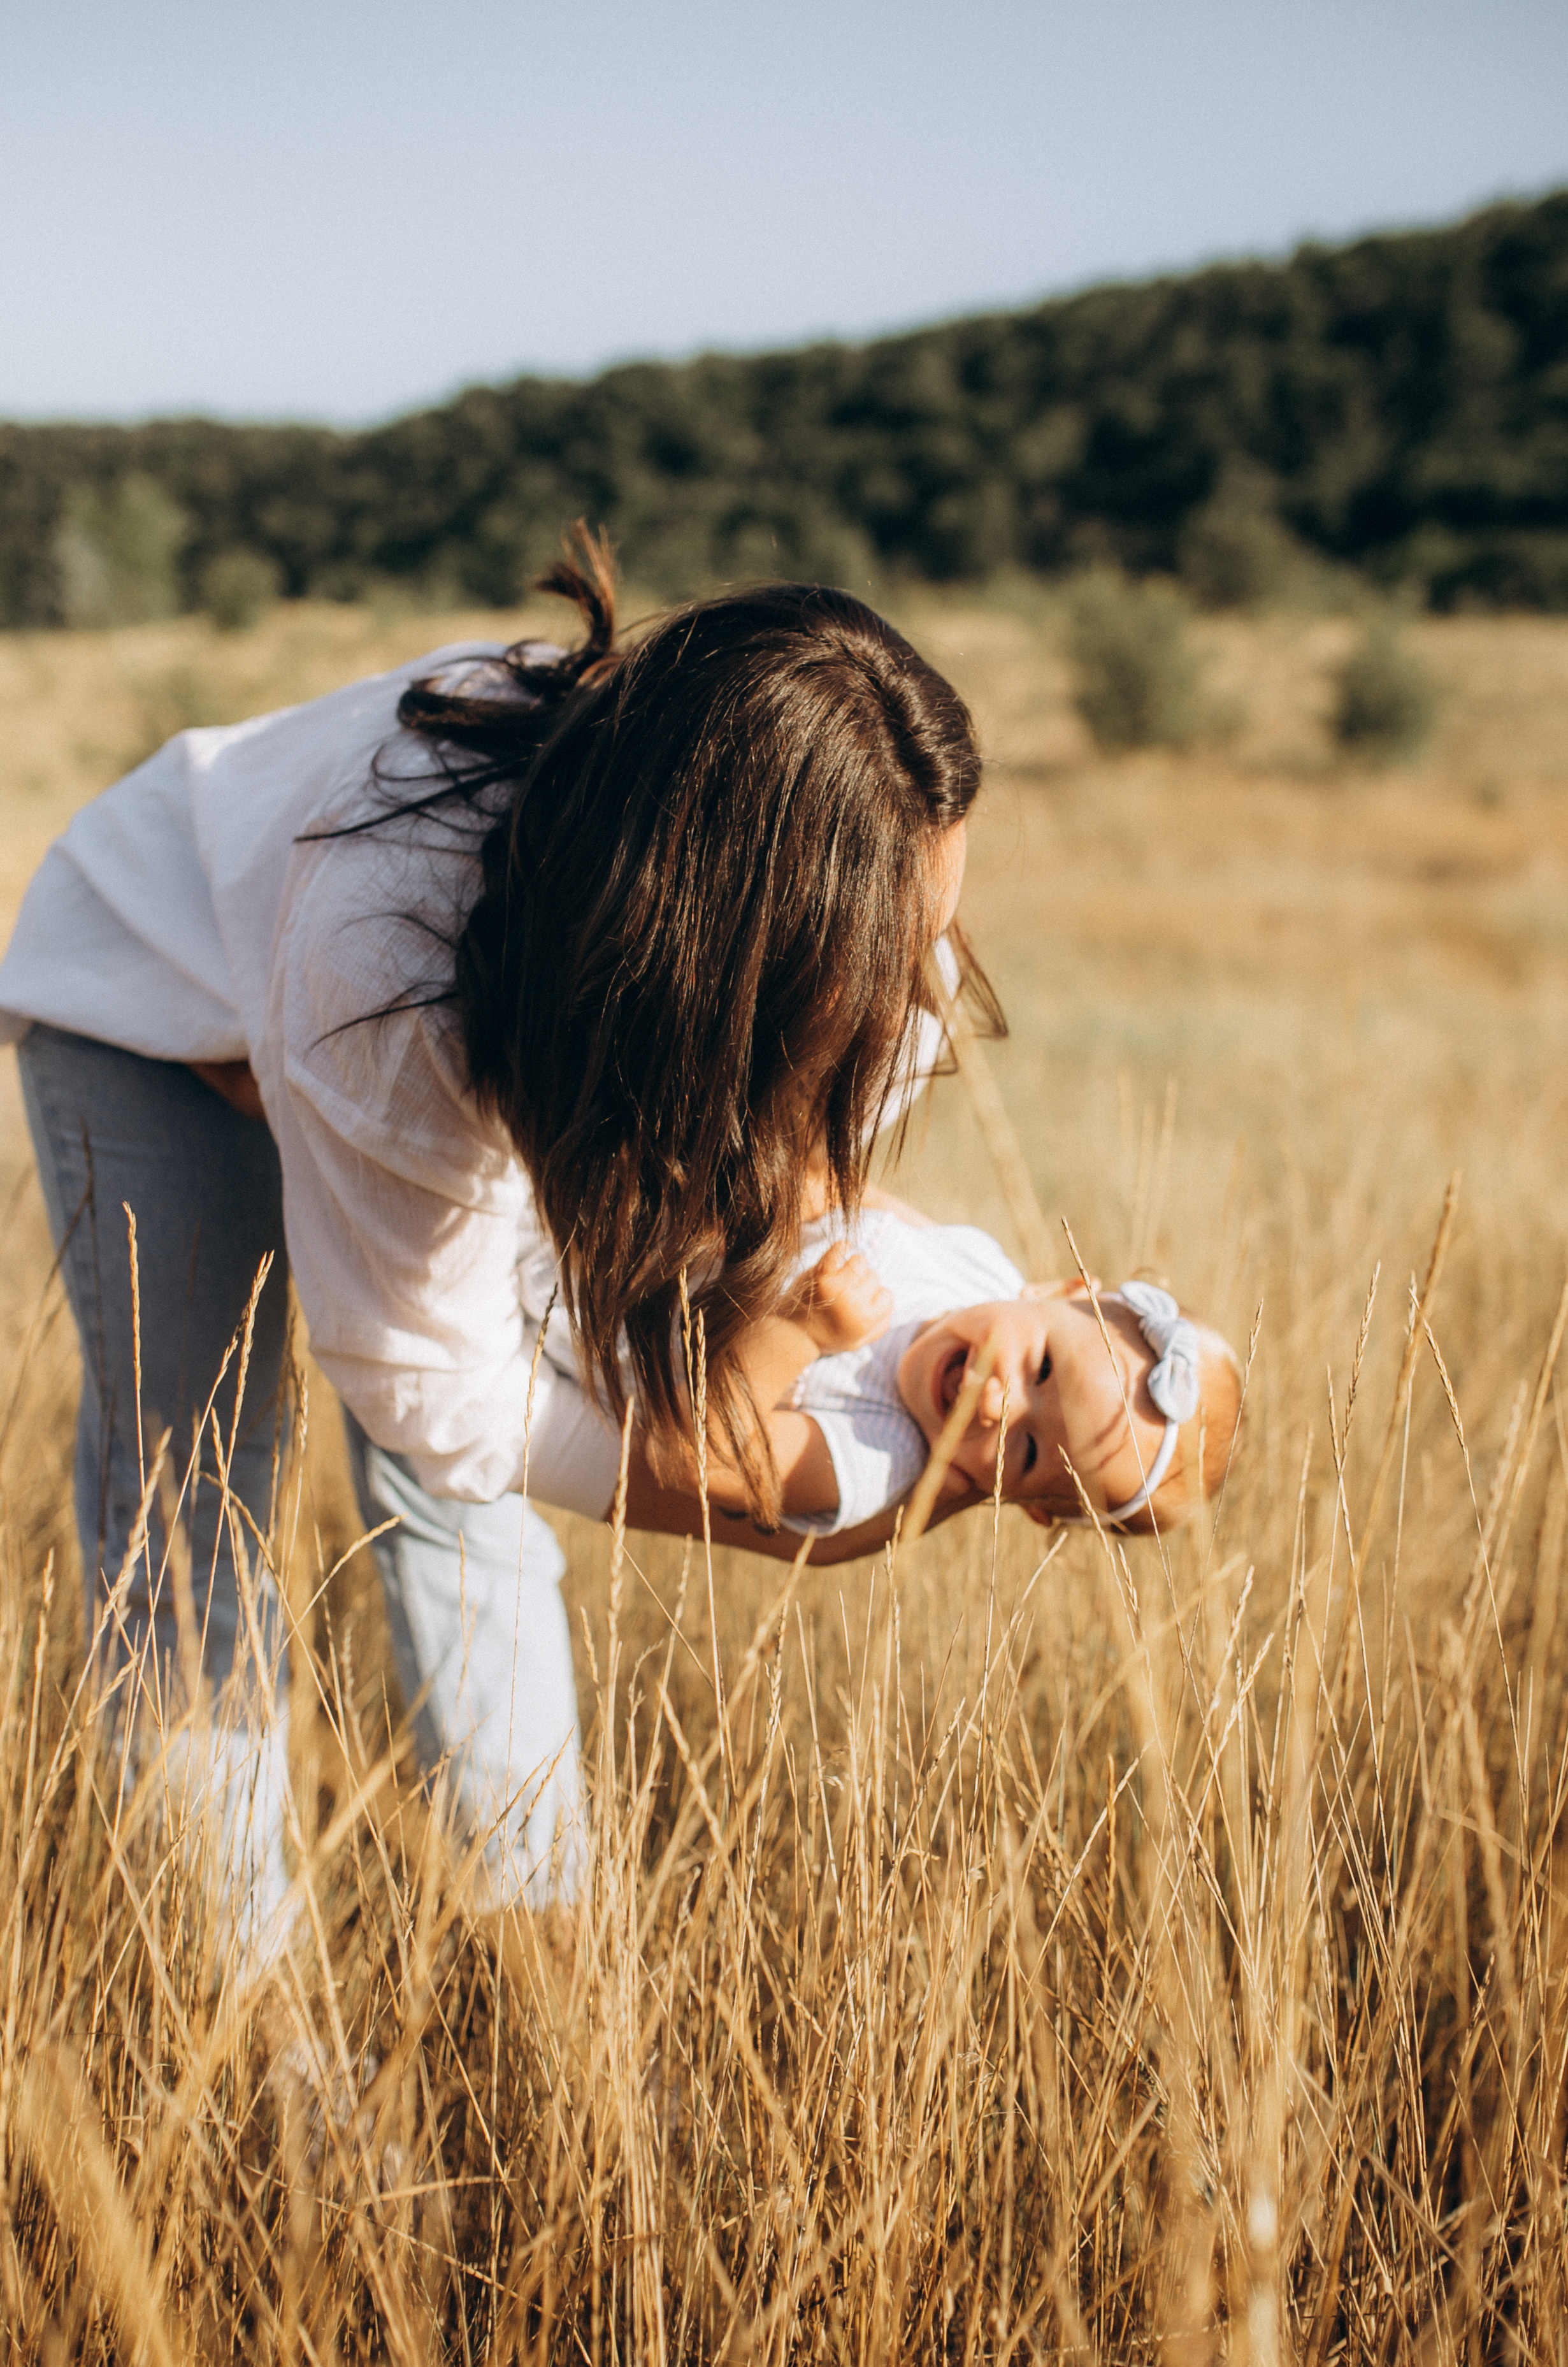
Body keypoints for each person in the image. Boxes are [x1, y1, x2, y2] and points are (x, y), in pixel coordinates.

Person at [0, 533, 996, 1920]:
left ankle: (539, 1938)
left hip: (470, 1020)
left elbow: (805, 1220)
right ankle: (254, 2036)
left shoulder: (862, 926)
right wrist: (706, 1498)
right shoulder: (390, 944)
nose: (919, 977)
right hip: (160, 1010)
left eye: (928, 922)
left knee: (465, 1514)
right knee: (194, 1504)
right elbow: (430, 1386)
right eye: (883, 949)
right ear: (721, 947)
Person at [527, 1205, 1244, 1541]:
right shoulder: (978, 1264)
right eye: (1045, 1366)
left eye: (1025, 1450)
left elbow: (692, 1456)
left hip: (556, 1293)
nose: (998, 1402)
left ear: (1021, 1501)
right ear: (1056, 1292)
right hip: (604, 1186)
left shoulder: (876, 1458)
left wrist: (798, 1332)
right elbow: (833, 1187)